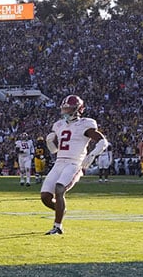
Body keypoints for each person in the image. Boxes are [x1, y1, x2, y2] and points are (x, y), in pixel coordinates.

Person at [41, 94, 108, 236]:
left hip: (74, 163)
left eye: (68, 109)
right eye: (64, 109)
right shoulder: (59, 125)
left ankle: (57, 226)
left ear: (78, 109)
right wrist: (49, 142)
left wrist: (92, 155)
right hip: (59, 162)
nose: (65, 112)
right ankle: (61, 210)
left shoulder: (85, 124)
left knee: (60, 189)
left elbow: (102, 141)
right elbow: (55, 150)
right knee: (45, 197)